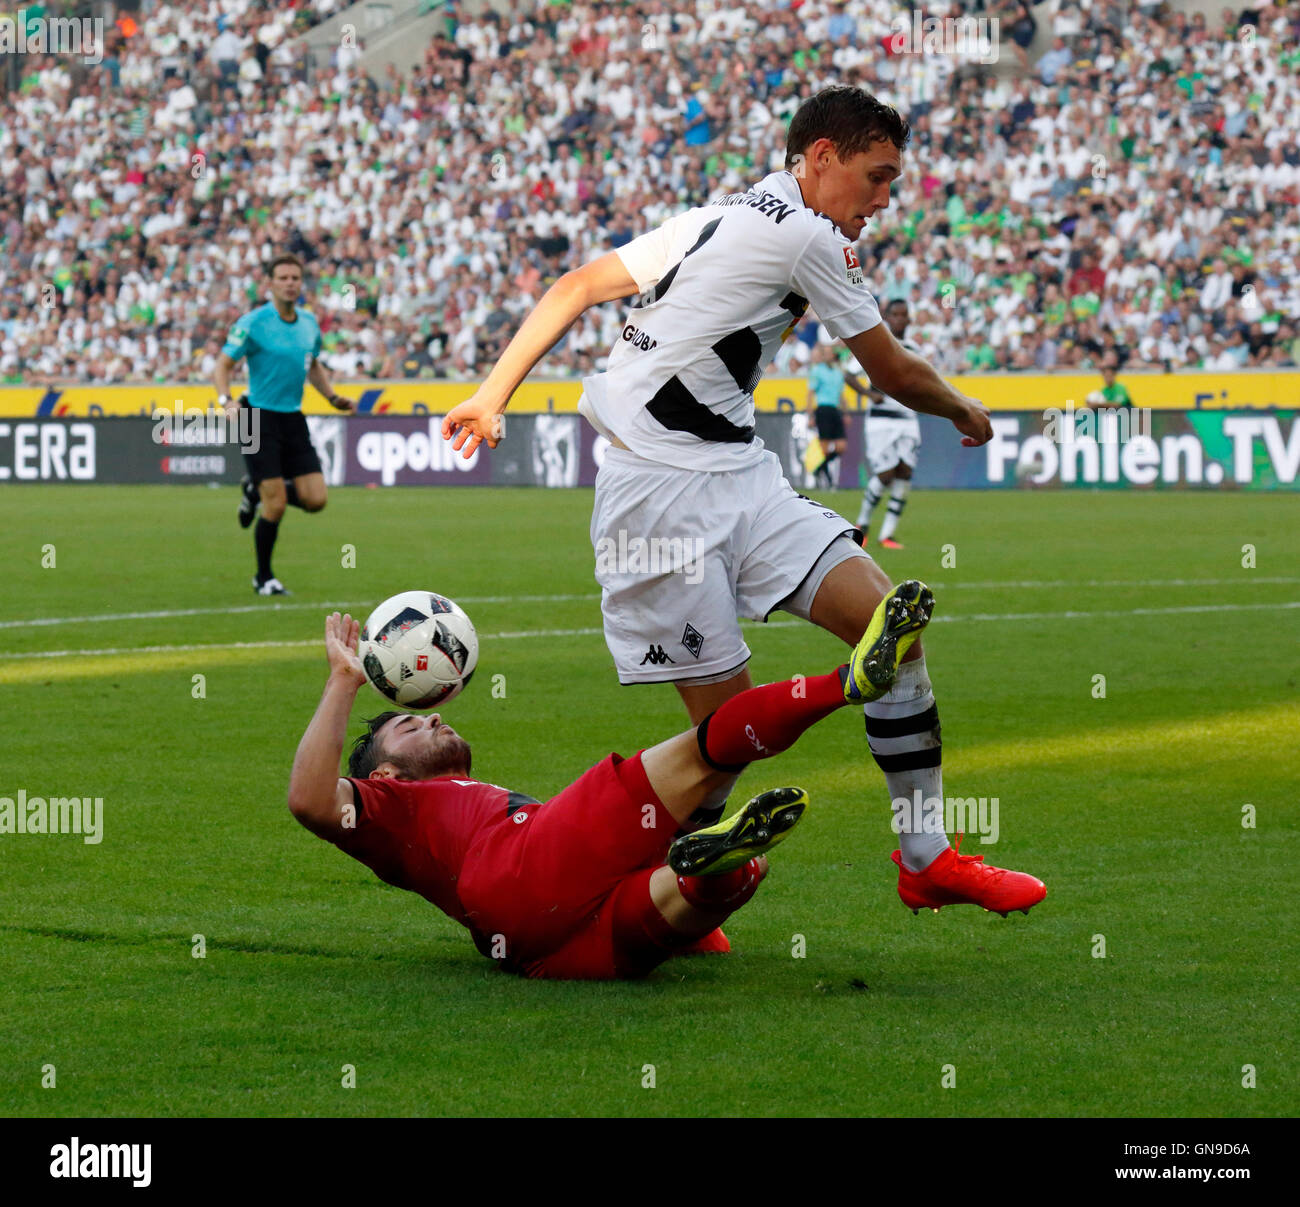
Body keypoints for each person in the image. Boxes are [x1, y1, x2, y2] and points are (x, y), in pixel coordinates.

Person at [441, 87, 1044, 913]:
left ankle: (926, 856)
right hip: (654, 498)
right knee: (725, 739)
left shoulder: (721, 213)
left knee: (890, 625)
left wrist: (491, 394)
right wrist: (968, 411)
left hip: (740, 475)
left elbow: (576, 286)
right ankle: (660, 895)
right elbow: (894, 372)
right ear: (822, 158)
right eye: (877, 177)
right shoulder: (803, 235)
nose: (885, 199)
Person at [287, 601, 1046, 980]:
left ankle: (705, 874)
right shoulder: (394, 808)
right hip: (520, 865)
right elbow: (310, 802)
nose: (425, 723)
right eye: (404, 730)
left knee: (726, 876)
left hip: (536, 948)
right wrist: (342, 682)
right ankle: (848, 681)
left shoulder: (463, 803)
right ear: (380, 772)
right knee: (706, 749)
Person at [215, 253, 356, 596]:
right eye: (283, 277)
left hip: (292, 417)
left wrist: (331, 397)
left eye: (295, 277)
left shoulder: (309, 323)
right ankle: (264, 578)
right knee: (275, 504)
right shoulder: (252, 323)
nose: (291, 283)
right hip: (254, 416)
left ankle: (254, 489)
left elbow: (313, 364)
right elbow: (222, 366)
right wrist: (226, 400)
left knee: (316, 499)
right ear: (270, 283)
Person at [845, 298, 923, 549]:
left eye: (904, 314)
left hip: (908, 419)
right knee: (885, 474)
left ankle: (887, 534)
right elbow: (848, 374)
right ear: (887, 317)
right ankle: (863, 525)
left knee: (905, 471)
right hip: (881, 420)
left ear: (909, 319)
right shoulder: (877, 345)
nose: (901, 318)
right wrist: (869, 395)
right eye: (896, 314)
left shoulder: (913, 348)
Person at [805, 340, 848, 488]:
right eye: (827, 353)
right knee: (824, 447)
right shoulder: (817, 371)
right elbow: (810, 393)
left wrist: (846, 412)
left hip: (835, 410)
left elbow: (841, 394)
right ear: (823, 356)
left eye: (831, 353)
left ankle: (818, 469)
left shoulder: (838, 372)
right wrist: (810, 415)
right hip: (823, 409)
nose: (829, 355)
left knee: (841, 446)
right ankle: (829, 482)